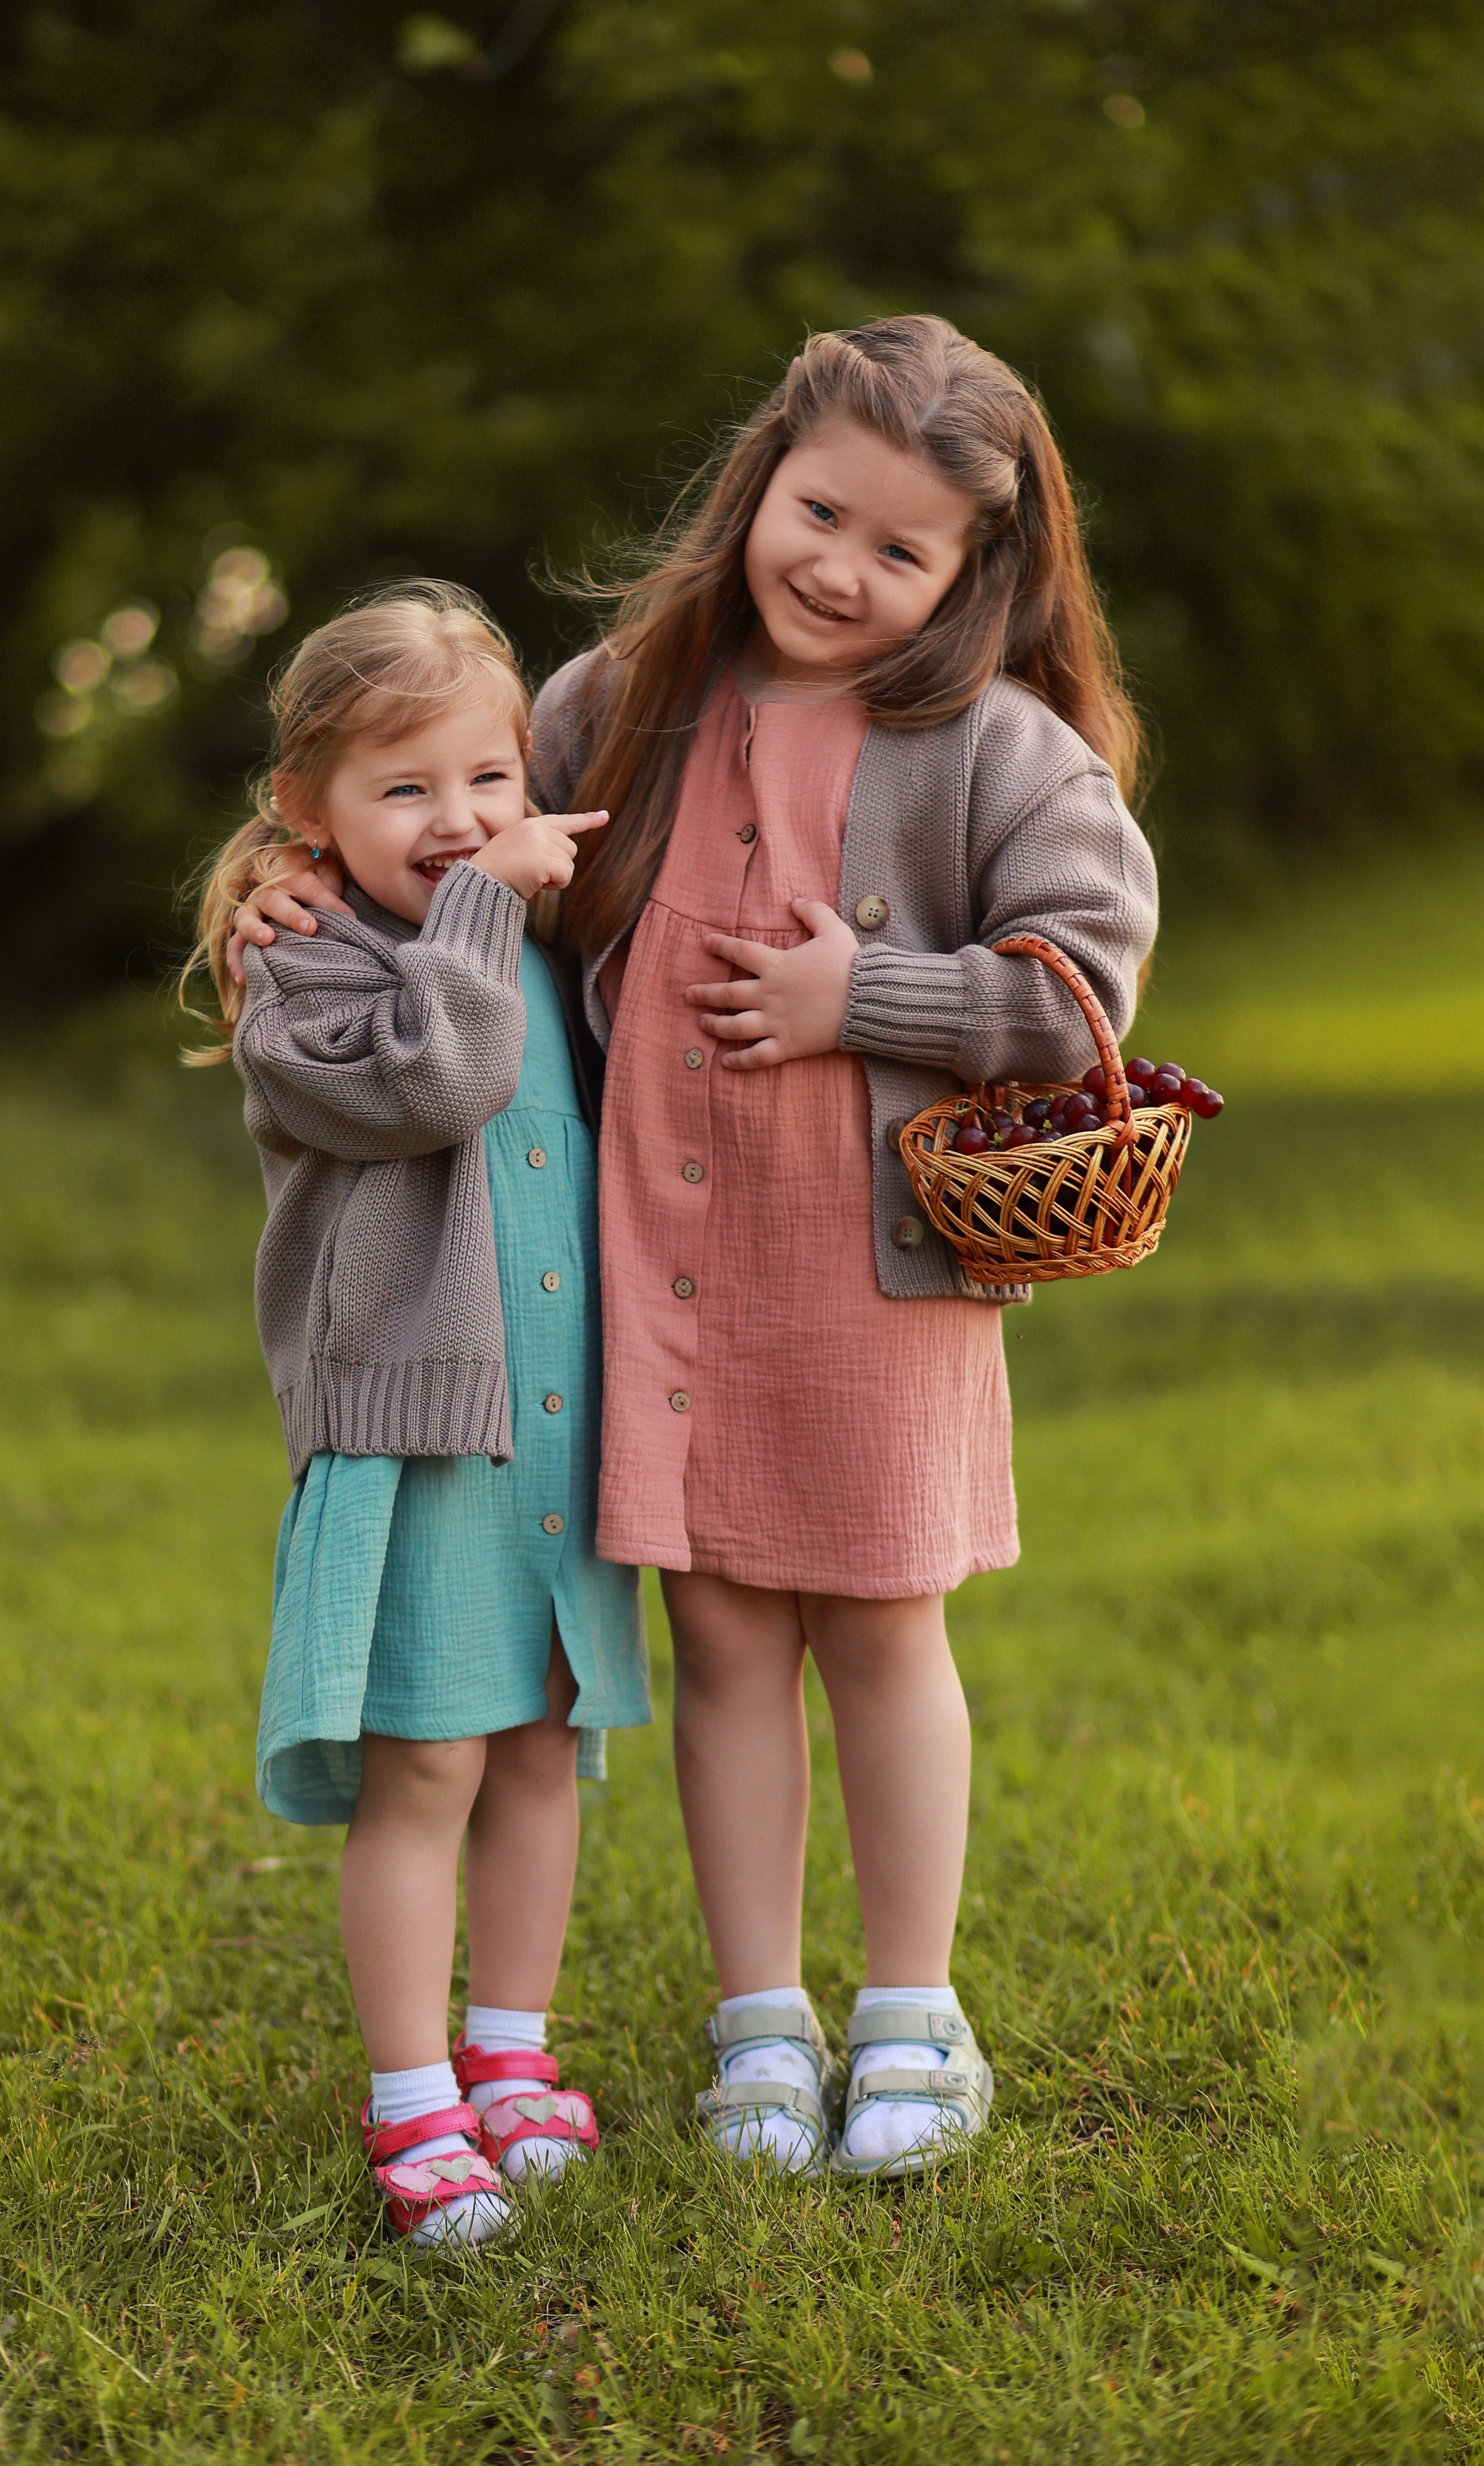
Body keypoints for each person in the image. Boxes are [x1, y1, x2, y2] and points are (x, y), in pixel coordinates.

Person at [230, 317, 1157, 2183]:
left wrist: (864, 992)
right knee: (725, 1636)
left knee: (884, 1628)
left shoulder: (997, 744)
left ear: (978, 572)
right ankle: (762, 2018)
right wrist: (298, 877)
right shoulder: (635, 695)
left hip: (875, 1277)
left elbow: (1084, 984)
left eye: (902, 550)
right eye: (818, 512)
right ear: (764, 484)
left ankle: (911, 2006)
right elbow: (455, 792)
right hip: (659, 1272)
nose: (840, 567)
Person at [187, 584, 649, 2245]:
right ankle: (410, 2100)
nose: (459, 821)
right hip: (414, 1438)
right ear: (308, 813)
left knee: (541, 1748)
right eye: (403, 790)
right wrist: (477, 912)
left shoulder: (532, 941)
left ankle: (511, 2057)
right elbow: (438, 1080)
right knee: (429, 1762)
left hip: (552, 1420)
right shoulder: (303, 976)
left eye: (489, 779)